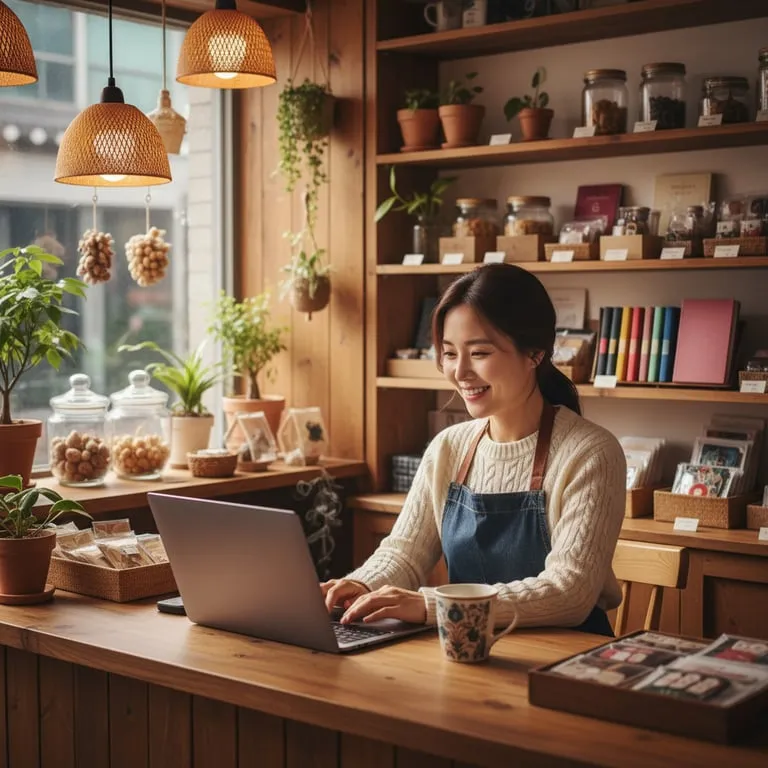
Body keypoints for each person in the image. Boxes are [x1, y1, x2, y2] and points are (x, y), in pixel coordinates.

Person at [322, 263, 626, 636]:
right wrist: (361, 585)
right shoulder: (449, 447)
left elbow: (570, 591)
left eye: (479, 353)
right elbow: (405, 552)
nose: (460, 371)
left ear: (534, 353)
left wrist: (434, 604)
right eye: (450, 353)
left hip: (566, 659)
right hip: (470, 647)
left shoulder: (590, 453)